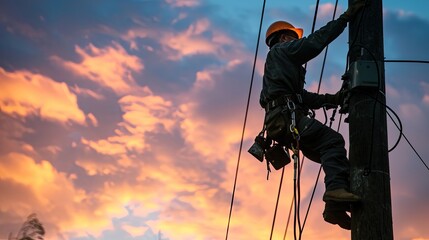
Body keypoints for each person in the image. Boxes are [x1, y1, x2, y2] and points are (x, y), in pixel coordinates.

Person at [259, 0, 366, 230]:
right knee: (332, 141)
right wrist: (346, 17)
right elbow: (316, 42)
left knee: (332, 155)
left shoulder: (278, 70)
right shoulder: (282, 50)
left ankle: (334, 206)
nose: (297, 43)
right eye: (294, 39)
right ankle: (335, 192)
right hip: (288, 120)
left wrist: (333, 99)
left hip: (282, 122)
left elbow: (302, 97)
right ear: (285, 38)